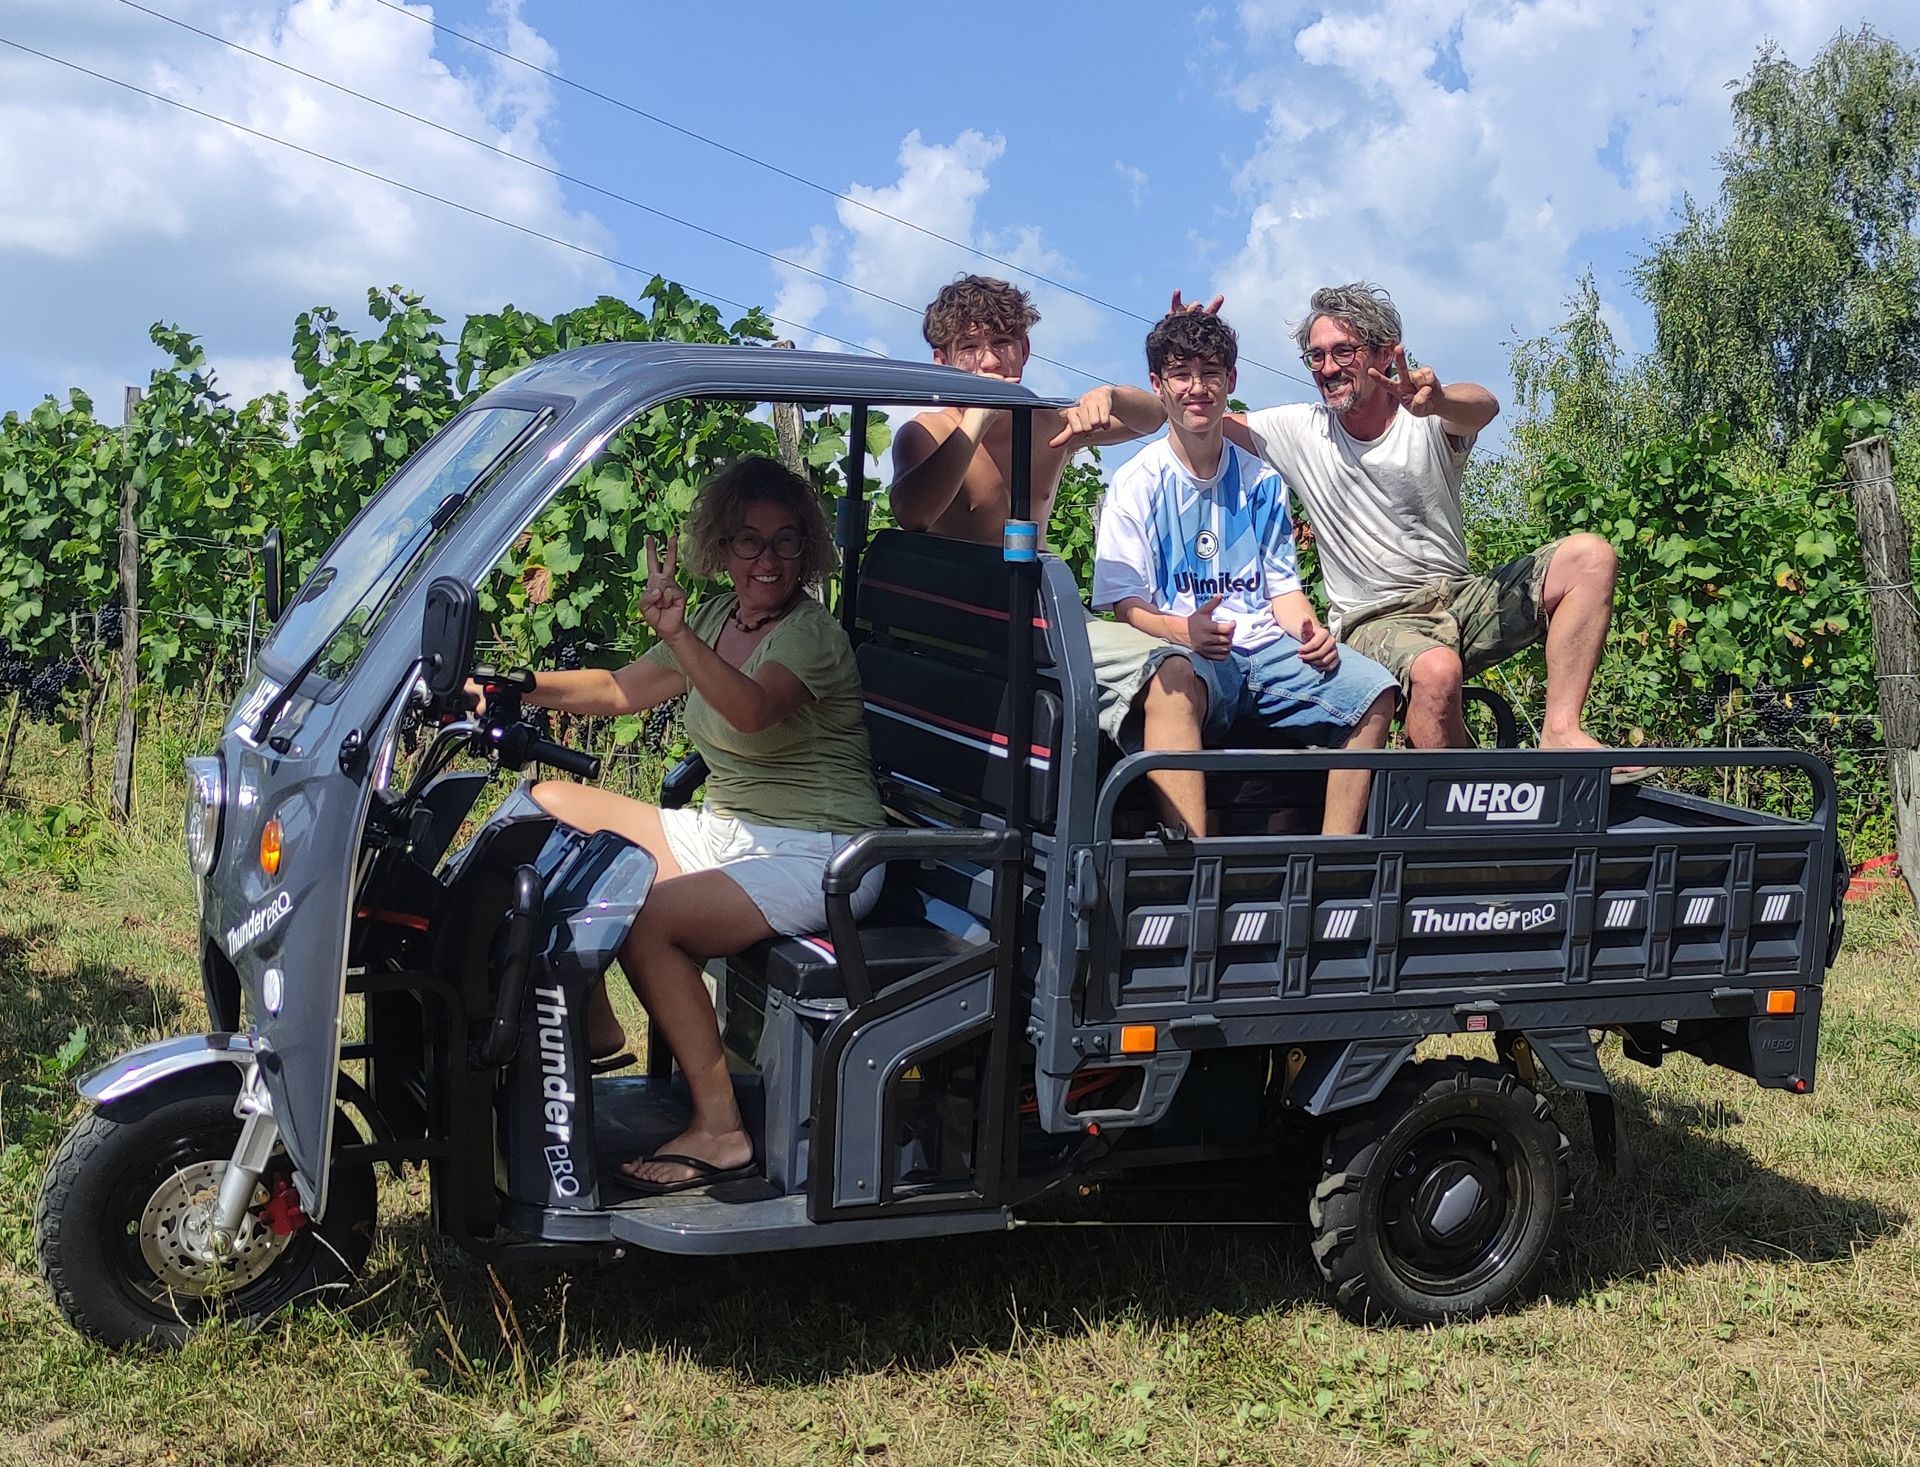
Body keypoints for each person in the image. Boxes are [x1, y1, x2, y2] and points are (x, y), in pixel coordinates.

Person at [508, 456, 886, 1194]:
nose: (767, 559)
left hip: (822, 852)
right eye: (749, 540)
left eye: (785, 541)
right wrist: (510, 687)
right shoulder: (717, 617)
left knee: (647, 918)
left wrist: (681, 637)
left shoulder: (810, 635)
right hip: (729, 831)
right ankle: (597, 1024)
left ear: (807, 548)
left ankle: (721, 1129)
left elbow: (748, 709)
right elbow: (618, 689)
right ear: (722, 545)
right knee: (549, 805)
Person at [1188, 282, 1625, 766]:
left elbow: (1483, 405)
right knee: (1437, 671)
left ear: (1384, 352)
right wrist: (1188, 351)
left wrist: (1439, 400)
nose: (1328, 368)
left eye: (1344, 352)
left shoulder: (1427, 413)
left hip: (1460, 600)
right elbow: (1199, 418)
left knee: (1591, 558)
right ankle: (1453, 801)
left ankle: (1561, 730)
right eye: (1316, 356)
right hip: (1374, 619)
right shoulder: (1301, 430)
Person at [890, 273, 1216, 834]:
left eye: (1001, 343)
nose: (988, 361)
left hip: (1044, 617)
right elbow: (913, 513)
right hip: (967, 622)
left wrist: (1109, 397)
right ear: (942, 359)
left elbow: (1152, 417)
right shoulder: (927, 432)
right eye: (969, 347)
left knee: (1178, 671)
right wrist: (976, 421)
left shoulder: (1048, 423)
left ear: (1024, 349)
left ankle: (1186, 851)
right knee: (1173, 671)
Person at [1093, 309, 1397, 834]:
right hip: (1190, 654)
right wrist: (1183, 631)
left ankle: (1335, 858)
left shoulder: (1262, 480)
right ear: (1158, 385)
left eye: (1211, 373)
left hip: (1266, 652)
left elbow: (1283, 591)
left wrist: (1311, 632)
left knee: (1373, 692)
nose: (1198, 388)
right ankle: (1192, 862)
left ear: (1231, 381)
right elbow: (1127, 606)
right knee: (1173, 681)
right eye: (1182, 374)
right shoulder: (1137, 481)